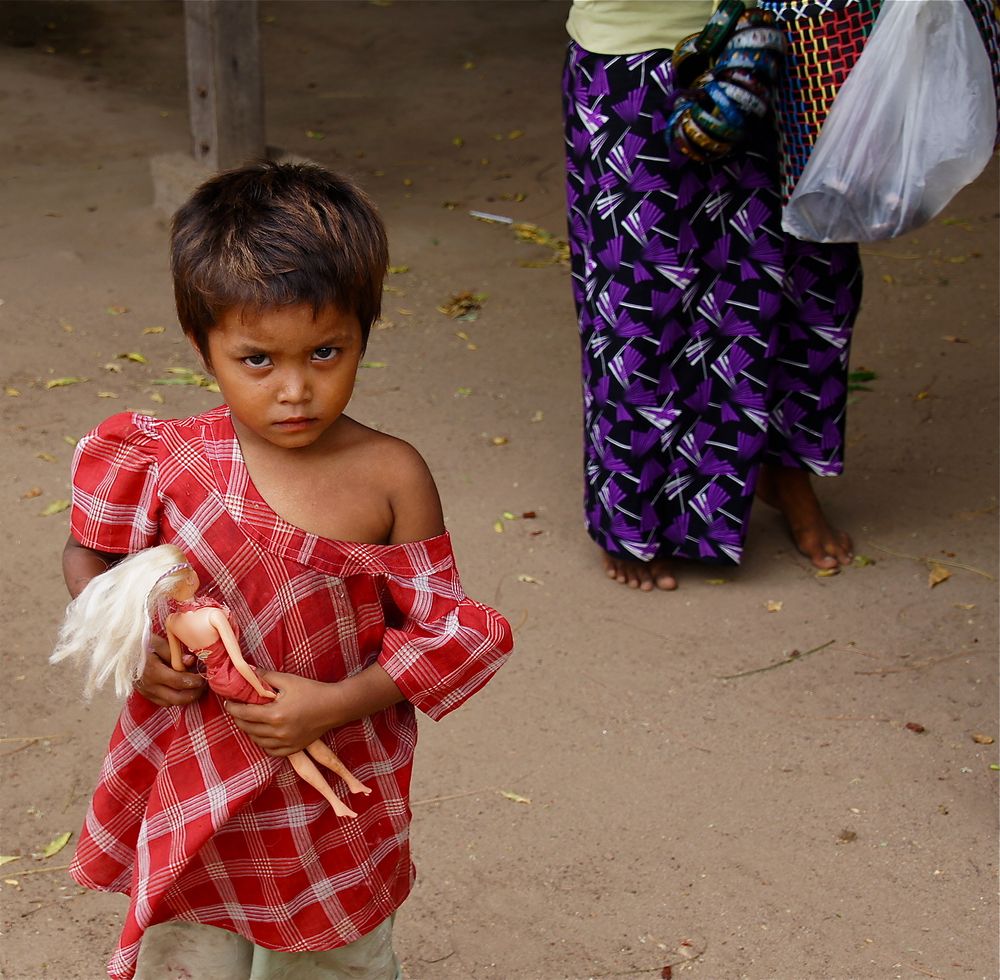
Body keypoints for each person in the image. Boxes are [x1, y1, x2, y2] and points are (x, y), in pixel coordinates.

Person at [59, 161, 514, 980]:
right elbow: (90, 559)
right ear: (203, 347)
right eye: (258, 360)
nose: (296, 390)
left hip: (331, 791)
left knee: (329, 957)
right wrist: (148, 646)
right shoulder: (165, 463)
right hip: (193, 767)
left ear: (365, 332)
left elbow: (450, 632)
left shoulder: (390, 478)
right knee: (193, 949)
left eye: (326, 351)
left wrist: (338, 702)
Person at [563, 0, 862, 590]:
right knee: (641, 297)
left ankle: (785, 469)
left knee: (809, 275)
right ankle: (634, 515)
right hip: (642, 53)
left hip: (792, 43)